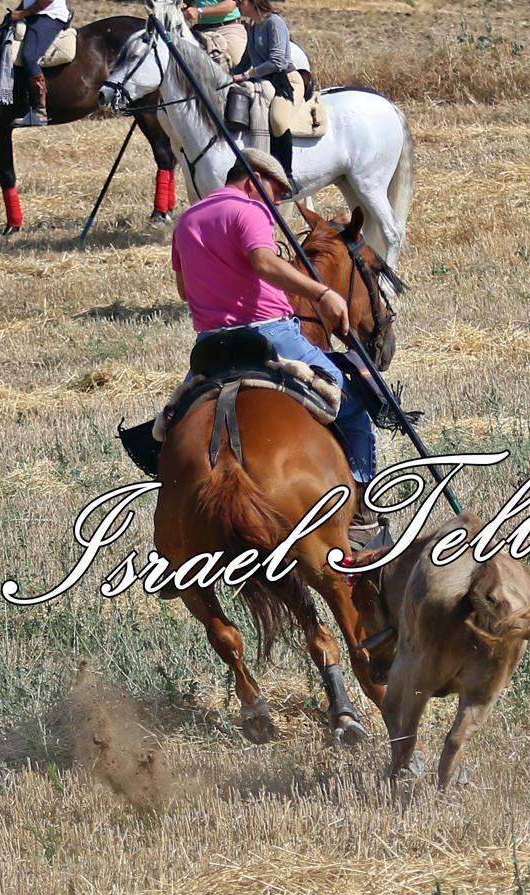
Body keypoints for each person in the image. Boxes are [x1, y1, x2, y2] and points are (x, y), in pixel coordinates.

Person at [171, 148, 379, 548]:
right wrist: (323, 293)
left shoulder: (187, 220)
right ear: (253, 180)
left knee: (174, 422)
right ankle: (362, 515)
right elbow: (264, 263)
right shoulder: (248, 210)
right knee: (346, 395)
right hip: (268, 334)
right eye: (275, 189)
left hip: (210, 345)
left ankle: (179, 538)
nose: (277, 199)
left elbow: (183, 290)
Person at [230, 0, 304, 196]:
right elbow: (244, 62)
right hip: (264, 83)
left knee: (278, 121)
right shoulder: (253, 27)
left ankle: (288, 177)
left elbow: (278, 61)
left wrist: (246, 76)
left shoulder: (274, 23)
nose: (237, 2)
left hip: (286, 82)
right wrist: (223, 76)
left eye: (241, 0)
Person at [9, 0, 71, 127]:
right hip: (33, 15)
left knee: (29, 57)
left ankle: (40, 111)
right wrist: (15, 13)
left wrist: (21, 14)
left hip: (49, 16)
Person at [183, 0, 247, 69]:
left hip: (228, 28)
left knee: (237, 65)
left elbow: (230, 4)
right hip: (201, 30)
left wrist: (199, 11)